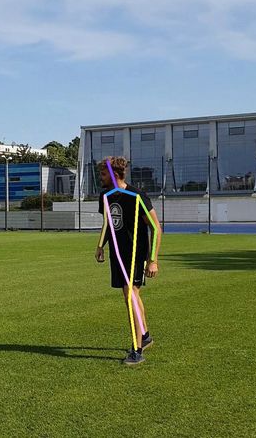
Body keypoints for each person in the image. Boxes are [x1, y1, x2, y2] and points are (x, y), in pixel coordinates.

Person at [95, 156, 162, 365]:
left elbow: (156, 227)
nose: (100, 178)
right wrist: (100, 245)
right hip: (117, 254)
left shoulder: (137, 196)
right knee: (130, 297)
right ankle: (145, 336)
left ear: (115, 175)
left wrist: (153, 260)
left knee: (130, 296)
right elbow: (108, 222)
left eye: (103, 174)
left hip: (135, 254)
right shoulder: (105, 195)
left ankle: (137, 350)